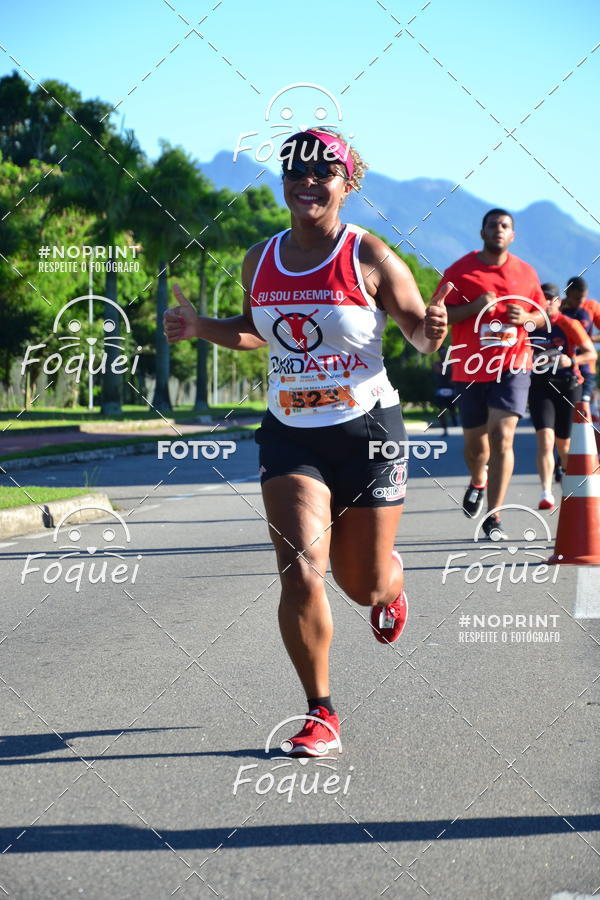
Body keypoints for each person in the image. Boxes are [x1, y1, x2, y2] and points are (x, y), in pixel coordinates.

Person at [164, 128, 449, 756]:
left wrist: (432, 329)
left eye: (324, 171)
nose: (307, 180)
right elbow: (258, 330)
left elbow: (420, 337)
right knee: (300, 570)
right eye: (295, 169)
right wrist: (199, 326)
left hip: (368, 432)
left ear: (348, 184)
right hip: (291, 433)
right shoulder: (259, 259)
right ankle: (320, 711)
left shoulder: (368, 255)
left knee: (363, 583)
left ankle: (391, 589)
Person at [436, 209, 547, 539]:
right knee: (475, 449)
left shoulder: (526, 274)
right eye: (492, 225)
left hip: (513, 365)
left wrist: (526, 316)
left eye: (505, 226)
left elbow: (541, 317)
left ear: (513, 235)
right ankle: (478, 480)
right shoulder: (460, 270)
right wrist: (473, 308)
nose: (498, 230)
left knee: (502, 435)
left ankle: (494, 515)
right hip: (470, 367)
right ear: (482, 232)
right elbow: (440, 313)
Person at [528, 283, 596, 510]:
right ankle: (546, 492)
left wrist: (571, 360)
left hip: (568, 385)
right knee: (545, 441)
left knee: (564, 445)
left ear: (558, 302)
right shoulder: (530, 325)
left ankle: (569, 486)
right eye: (542, 298)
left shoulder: (568, 324)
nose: (546, 303)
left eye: (550, 299)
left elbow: (590, 353)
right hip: (539, 386)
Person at [560, 276, 600, 404]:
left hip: (586, 367)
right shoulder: (559, 308)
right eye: (577, 298)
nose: (580, 301)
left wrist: (589, 339)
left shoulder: (592, 306)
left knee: (583, 408)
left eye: (583, 297)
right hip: (564, 368)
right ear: (567, 294)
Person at [432, 347, 459, 434]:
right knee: (441, 410)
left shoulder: (453, 364)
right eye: (441, 353)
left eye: (444, 353)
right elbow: (440, 372)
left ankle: (454, 418)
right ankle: (445, 429)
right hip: (441, 390)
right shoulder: (437, 364)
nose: (443, 355)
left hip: (451, 390)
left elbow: (455, 374)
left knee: (452, 410)